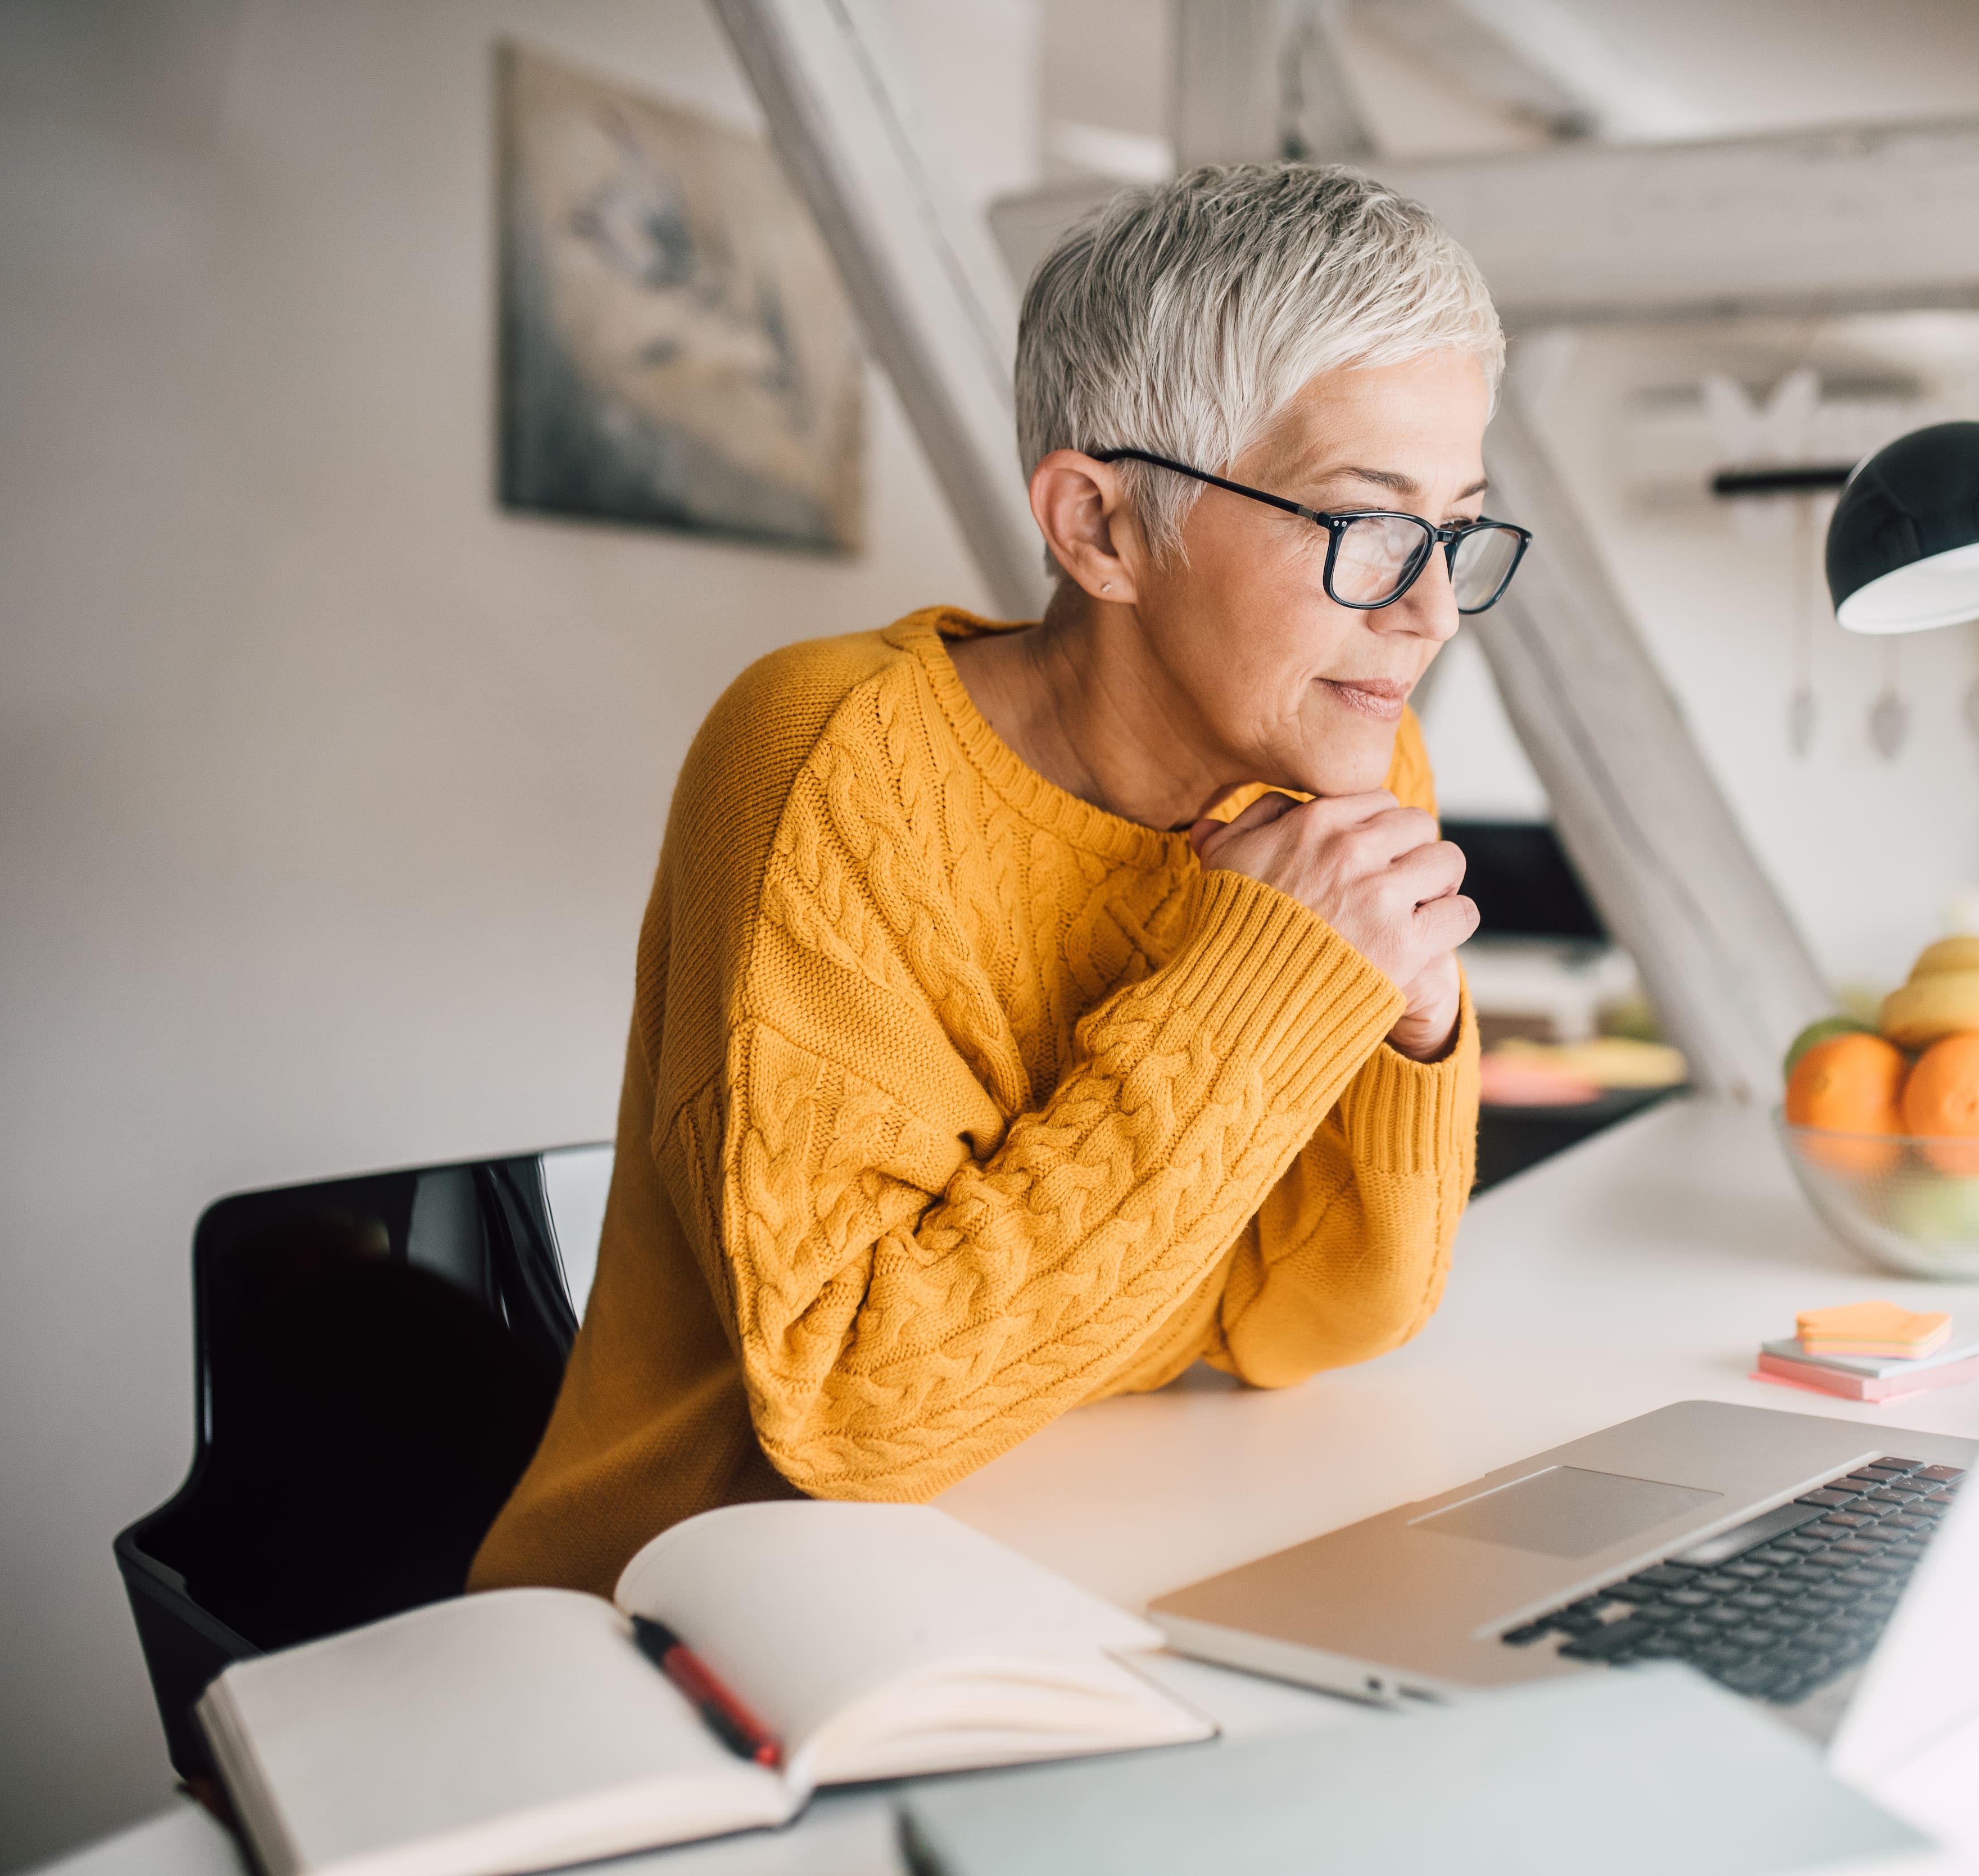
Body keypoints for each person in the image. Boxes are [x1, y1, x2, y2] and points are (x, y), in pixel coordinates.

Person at [469, 165, 1518, 1596]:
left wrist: (1407, 1029)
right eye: (1366, 524)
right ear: (1098, 528)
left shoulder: (1339, 754)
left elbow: (1307, 1321)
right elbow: (852, 1414)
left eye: (1458, 526)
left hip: (1082, 1555)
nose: (1432, 608)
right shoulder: (826, 755)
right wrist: (1268, 984)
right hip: (698, 1615)